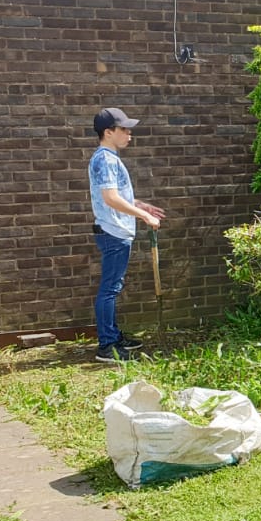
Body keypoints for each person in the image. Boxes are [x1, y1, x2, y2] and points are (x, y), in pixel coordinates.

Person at [88, 108, 165, 363]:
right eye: (123, 129)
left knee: (113, 287)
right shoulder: (105, 159)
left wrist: (140, 206)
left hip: (116, 231)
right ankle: (107, 346)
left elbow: (116, 195)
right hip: (113, 232)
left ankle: (113, 336)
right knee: (109, 289)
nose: (129, 134)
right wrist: (143, 217)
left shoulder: (109, 157)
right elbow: (110, 199)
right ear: (108, 132)